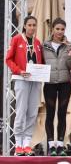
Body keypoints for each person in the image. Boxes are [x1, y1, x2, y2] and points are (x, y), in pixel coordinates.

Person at [6, 16, 44, 156]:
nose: (32, 28)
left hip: (35, 80)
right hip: (21, 79)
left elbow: (41, 61)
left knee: (33, 111)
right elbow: (8, 59)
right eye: (29, 25)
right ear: (24, 26)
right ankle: (18, 144)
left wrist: (42, 72)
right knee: (21, 110)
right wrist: (19, 71)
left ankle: (27, 143)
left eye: (34, 25)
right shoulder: (16, 39)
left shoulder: (38, 42)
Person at [42, 18, 71, 156]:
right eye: (57, 29)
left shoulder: (70, 45)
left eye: (62, 29)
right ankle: (51, 145)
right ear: (52, 29)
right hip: (49, 84)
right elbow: (40, 62)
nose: (60, 32)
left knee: (62, 114)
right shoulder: (44, 45)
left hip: (65, 84)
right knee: (50, 114)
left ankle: (60, 145)